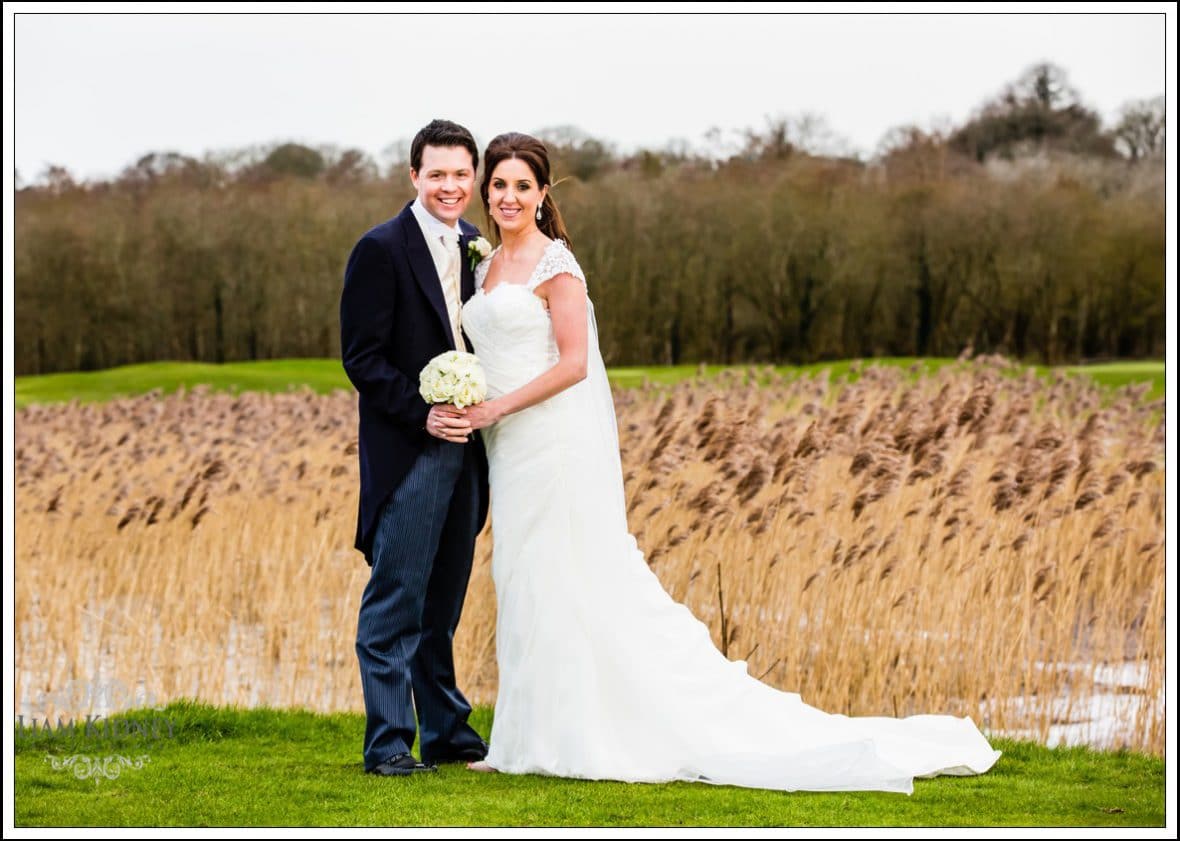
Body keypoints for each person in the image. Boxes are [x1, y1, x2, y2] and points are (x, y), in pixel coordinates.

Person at [455, 132, 1002, 793]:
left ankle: (572, 734)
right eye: (499, 184)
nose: (507, 196)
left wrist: (494, 407)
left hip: (550, 444)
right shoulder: (483, 267)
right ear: (487, 190)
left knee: (568, 578)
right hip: (508, 451)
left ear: (543, 193)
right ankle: (523, 737)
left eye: (522, 185)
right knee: (523, 578)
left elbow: (574, 364)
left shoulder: (556, 265)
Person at [339, 119, 490, 777]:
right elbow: (362, 359)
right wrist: (423, 415)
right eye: (438, 174)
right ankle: (388, 742)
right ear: (414, 176)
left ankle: (449, 732)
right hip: (411, 450)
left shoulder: (483, 248)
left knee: (444, 600)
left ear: (474, 177)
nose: (450, 185)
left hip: (473, 452)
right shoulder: (380, 249)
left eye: (462, 174)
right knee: (396, 598)